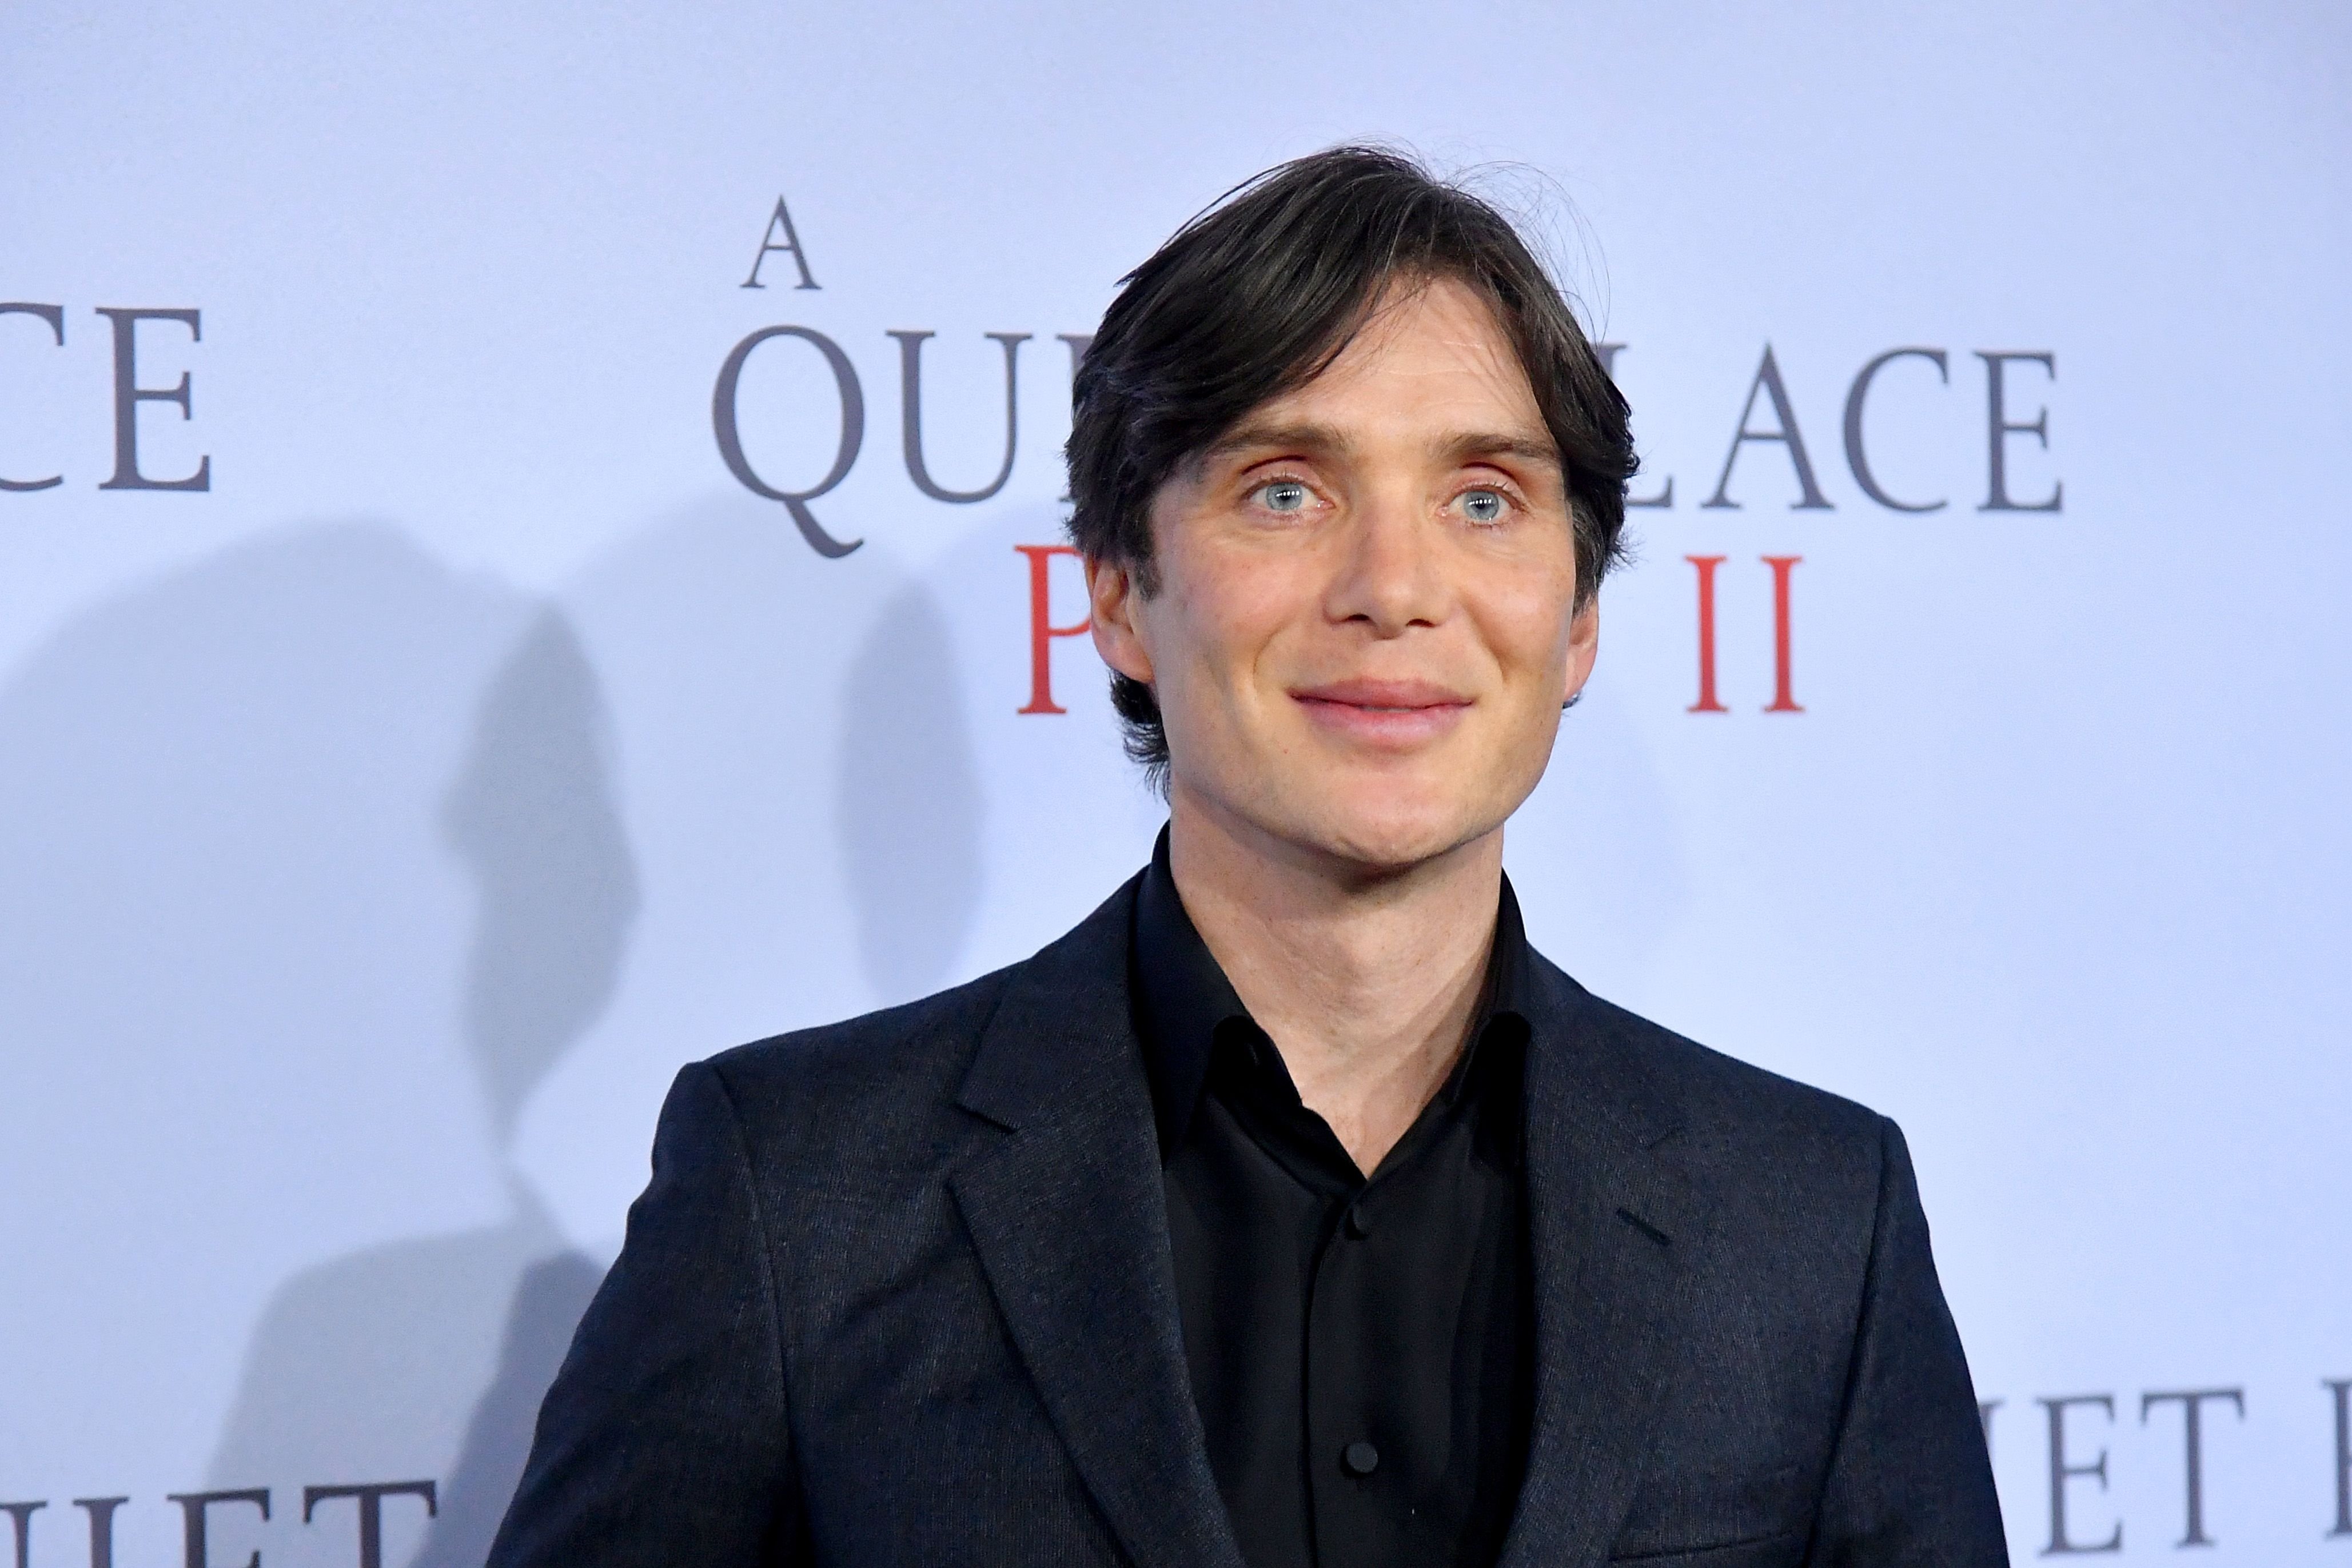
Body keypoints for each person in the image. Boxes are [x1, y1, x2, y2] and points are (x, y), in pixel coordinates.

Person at [487, 146, 2008, 1568]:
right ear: (1118, 597)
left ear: (1578, 621)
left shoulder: (1812, 1215)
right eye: (1284, 489)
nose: (1394, 586)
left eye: (1481, 499)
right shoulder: (795, 1191)